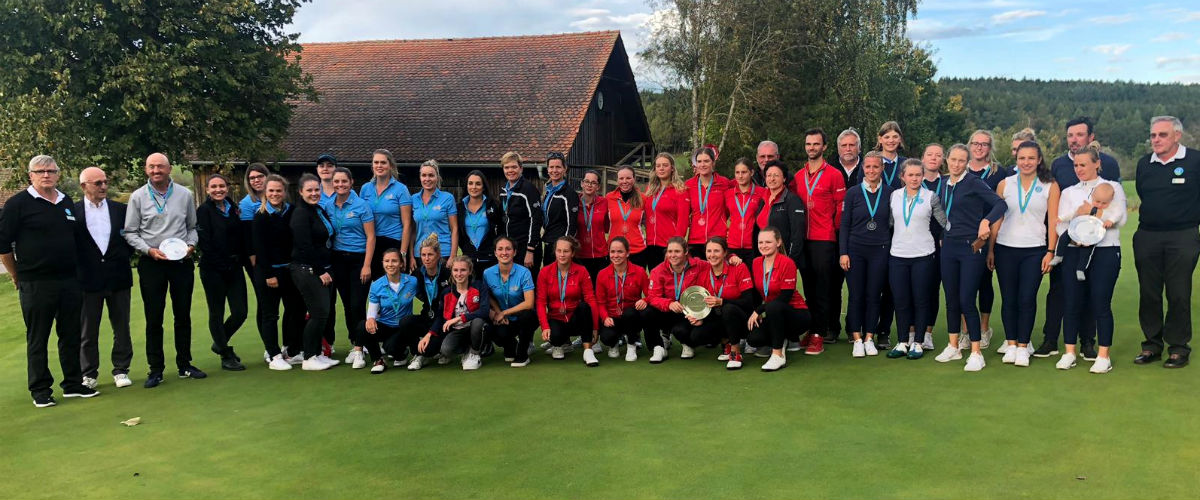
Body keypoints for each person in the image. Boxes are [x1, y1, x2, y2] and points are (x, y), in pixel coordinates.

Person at [0, 155, 96, 407]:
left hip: (69, 280)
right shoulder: (17, 204)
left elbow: (77, 239)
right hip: (36, 282)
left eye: (51, 171)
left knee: (70, 334)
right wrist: (16, 275)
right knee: (38, 337)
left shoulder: (66, 202)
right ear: (30, 175)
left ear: (58, 174)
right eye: (40, 171)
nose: (46, 175)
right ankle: (40, 390)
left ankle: (73, 384)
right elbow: (3, 245)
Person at [1036, 117, 1121, 357]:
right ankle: (1051, 339)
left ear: (1091, 137)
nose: (1074, 140)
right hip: (1066, 239)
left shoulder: (1109, 164)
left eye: (1079, 135)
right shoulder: (1058, 164)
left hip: (1095, 240)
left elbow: (1111, 200)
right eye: (1070, 135)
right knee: (1059, 291)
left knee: (1089, 292)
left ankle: (1087, 342)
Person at [124, 152, 204, 388]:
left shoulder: (184, 194)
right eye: (151, 167)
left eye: (160, 166)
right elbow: (130, 232)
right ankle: (156, 369)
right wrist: (148, 250)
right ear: (146, 170)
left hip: (180, 263)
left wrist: (191, 245)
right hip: (152, 263)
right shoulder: (138, 197)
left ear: (169, 169)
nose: (156, 170)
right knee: (154, 318)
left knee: (183, 315)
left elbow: (192, 227)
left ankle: (185, 364)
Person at [1133, 115, 1199, 369]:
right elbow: (1143, 193)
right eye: (1153, 135)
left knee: (1178, 293)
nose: (1156, 140)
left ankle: (1178, 347)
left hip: (1183, 235)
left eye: (1162, 135)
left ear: (1177, 136)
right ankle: (1151, 345)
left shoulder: (1194, 160)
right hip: (1148, 235)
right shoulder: (1144, 164)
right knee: (1149, 293)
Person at [932, 144, 1005, 372]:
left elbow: (1000, 204)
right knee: (951, 299)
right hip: (949, 247)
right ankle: (953, 346)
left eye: (961, 161)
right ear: (947, 160)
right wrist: (943, 235)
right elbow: (945, 213)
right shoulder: (944, 182)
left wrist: (985, 221)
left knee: (966, 299)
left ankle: (975, 352)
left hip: (970, 248)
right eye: (953, 159)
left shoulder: (973, 182)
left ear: (967, 162)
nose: (956, 164)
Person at [1057, 144, 1127, 373]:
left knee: (1100, 303)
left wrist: (1092, 212)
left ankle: (1103, 356)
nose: (1079, 169)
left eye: (1083, 165)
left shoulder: (1113, 187)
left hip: (1105, 251)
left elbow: (1120, 219)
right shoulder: (1069, 192)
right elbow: (1060, 224)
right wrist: (1077, 235)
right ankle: (1069, 352)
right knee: (1071, 302)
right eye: (1076, 165)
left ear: (1097, 164)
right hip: (1074, 251)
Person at [988, 141, 1060, 367]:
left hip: (1035, 250)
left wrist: (1051, 251)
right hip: (1005, 248)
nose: (1026, 162)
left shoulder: (1050, 185)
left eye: (1030, 158)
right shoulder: (1005, 184)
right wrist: (990, 249)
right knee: (1009, 298)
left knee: (1027, 299)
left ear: (1039, 160)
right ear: (1016, 160)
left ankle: (1023, 346)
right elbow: (997, 219)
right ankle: (1011, 344)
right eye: (1022, 158)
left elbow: (1054, 221)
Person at [74, 167, 134, 389]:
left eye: (105, 182)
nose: (104, 187)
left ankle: (121, 369)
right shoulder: (73, 212)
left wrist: (121, 257)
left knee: (121, 326)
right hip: (87, 280)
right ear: (84, 186)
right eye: (98, 183)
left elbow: (130, 239)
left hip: (118, 276)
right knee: (88, 330)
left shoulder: (121, 210)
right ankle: (89, 373)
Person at [886, 160, 947, 360]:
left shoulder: (931, 196)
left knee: (921, 299)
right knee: (901, 300)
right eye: (910, 175)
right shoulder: (894, 196)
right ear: (902, 176)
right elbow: (890, 223)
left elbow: (945, 223)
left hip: (923, 255)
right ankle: (903, 341)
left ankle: (918, 342)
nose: (914, 179)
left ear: (923, 176)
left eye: (918, 175)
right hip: (898, 255)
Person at [792, 128, 846, 348]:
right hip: (803, 240)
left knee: (824, 288)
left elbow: (840, 207)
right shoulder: (798, 176)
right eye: (808, 144)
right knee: (810, 288)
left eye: (816, 144)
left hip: (824, 239)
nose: (812, 148)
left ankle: (820, 333)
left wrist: (832, 231)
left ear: (824, 147)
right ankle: (813, 328)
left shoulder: (834, 174)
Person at [839, 152, 891, 357]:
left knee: (874, 295)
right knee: (856, 295)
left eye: (875, 167)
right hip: (855, 250)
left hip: (880, 250)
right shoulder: (853, 193)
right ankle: (857, 338)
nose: (871, 170)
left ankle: (870, 337)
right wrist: (843, 252)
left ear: (882, 169)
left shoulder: (890, 193)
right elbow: (844, 225)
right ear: (863, 169)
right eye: (868, 167)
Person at [252, 175, 307, 371]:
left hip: (289, 271)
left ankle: (291, 350)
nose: (275, 194)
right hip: (269, 273)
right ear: (265, 192)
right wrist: (269, 275)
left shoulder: (291, 211)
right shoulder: (260, 216)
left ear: (284, 192)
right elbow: (260, 249)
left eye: (278, 190)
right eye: (271, 191)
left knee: (295, 311)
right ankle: (274, 355)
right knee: (270, 315)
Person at [196, 174, 248, 371]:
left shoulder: (233, 208)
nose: (218, 190)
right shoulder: (204, 211)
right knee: (216, 313)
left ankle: (219, 343)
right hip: (213, 269)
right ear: (208, 190)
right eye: (214, 187)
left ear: (227, 188)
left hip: (234, 267)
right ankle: (226, 355)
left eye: (222, 186)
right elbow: (205, 242)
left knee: (240, 312)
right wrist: (221, 263)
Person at [964, 129, 1010, 347]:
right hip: (962, 234)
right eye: (976, 143)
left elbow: (1001, 206)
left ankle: (984, 329)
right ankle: (965, 330)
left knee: (984, 282)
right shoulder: (960, 169)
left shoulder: (999, 173)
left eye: (984, 144)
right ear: (969, 145)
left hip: (987, 235)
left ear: (990, 148)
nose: (979, 147)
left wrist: (990, 235)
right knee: (963, 284)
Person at [290, 174, 341, 371]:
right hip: (307, 269)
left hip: (323, 267)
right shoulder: (300, 213)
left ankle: (318, 353)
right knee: (318, 313)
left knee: (324, 313)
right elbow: (304, 245)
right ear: (300, 192)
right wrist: (320, 270)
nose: (314, 193)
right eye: (309, 190)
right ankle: (309, 357)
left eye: (316, 189)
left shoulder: (317, 209)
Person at [327, 167, 376, 369]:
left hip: (358, 260)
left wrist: (367, 265)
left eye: (344, 181)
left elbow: (371, 236)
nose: (340, 185)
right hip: (338, 260)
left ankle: (360, 348)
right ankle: (355, 342)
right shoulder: (328, 205)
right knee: (347, 305)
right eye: (336, 181)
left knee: (357, 304)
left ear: (351, 182)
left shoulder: (361, 205)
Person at [747, 227, 812, 371]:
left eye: (768, 242)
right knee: (754, 339)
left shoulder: (787, 263)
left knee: (774, 306)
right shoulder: (756, 262)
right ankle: (783, 338)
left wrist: (759, 310)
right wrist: (756, 311)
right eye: (760, 242)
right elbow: (756, 293)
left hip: (797, 314)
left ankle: (778, 355)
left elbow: (785, 297)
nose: (763, 245)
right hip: (774, 313)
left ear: (778, 242)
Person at [645, 236, 710, 363]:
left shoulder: (699, 265)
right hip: (669, 311)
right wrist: (669, 304)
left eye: (677, 251)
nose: (673, 255)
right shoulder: (657, 271)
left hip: (689, 313)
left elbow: (716, 261)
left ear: (686, 252)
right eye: (670, 251)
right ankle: (658, 347)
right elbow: (653, 297)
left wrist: (731, 257)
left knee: (680, 331)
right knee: (646, 312)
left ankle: (687, 344)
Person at [536, 236, 600, 365]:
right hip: (555, 317)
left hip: (574, 318)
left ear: (573, 253)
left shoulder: (581, 271)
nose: (562, 254)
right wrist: (545, 326)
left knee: (584, 307)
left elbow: (591, 299)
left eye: (566, 251)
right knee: (555, 337)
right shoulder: (545, 272)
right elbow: (541, 302)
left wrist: (595, 327)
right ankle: (559, 345)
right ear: (555, 252)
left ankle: (588, 351)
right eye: (559, 251)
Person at [695, 237, 755, 370]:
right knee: (696, 335)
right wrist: (696, 315)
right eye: (709, 251)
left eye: (716, 251)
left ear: (725, 253)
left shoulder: (739, 267)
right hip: (719, 317)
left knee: (727, 308)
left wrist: (722, 301)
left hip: (742, 318)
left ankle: (735, 352)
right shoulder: (704, 271)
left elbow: (748, 302)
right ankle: (726, 343)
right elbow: (702, 302)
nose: (712, 255)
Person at [358, 248, 420, 374]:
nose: (390, 264)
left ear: (401, 263)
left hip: (403, 327)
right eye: (386, 261)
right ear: (382, 263)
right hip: (386, 326)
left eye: (394, 261)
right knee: (362, 326)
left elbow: (425, 297)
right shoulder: (376, 285)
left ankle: (405, 354)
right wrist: (370, 319)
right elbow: (372, 309)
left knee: (390, 347)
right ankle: (378, 360)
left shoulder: (412, 281)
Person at [428, 256, 491, 370]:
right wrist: (429, 334)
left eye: (463, 270)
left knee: (478, 322)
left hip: (476, 327)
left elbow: (484, 311)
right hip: (458, 330)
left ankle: (475, 353)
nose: (459, 274)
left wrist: (460, 318)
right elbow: (440, 316)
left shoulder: (479, 286)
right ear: (451, 272)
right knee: (446, 350)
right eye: (455, 270)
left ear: (470, 271)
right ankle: (467, 350)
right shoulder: (446, 292)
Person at [484, 236, 538, 367]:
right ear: (495, 252)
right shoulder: (487, 273)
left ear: (514, 252)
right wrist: (498, 312)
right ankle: (511, 346)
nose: (504, 252)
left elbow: (529, 303)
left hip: (523, 316)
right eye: (500, 249)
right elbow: (488, 296)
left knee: (527, 315)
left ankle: (523, 355)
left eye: (508, 249)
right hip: (504, 318)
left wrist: (504, 312)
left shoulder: (524, 272)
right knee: (492, 329)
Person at [595, 237, 651, 362]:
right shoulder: (602, 274)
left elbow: (651, 294)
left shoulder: (639, 271)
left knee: (629, 313)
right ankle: (613, 344)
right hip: (612, 317)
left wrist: (645, 300)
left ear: (628, 253)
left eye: (620, 251)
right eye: (612, 252)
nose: (616, 255)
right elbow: (600, 302)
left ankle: (631, 344)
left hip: (631, 317)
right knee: (607, 337)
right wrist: (605, 317)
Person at [359, 149, 414, 277]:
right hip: (371, 244)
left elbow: (407, 224)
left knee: (395, 285)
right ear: (372, 165)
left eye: (383, 162)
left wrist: (403, 253)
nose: (379, 166)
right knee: (377, 285)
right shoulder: (365, 188)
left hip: (393, 243)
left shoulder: (401, 189)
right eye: (376, 162)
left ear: (390, 165)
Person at [917, 143, 947, 351]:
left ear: (942, 159)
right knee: (916, 287)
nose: (933, 158)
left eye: (938, 155)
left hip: (940, 242)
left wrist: (944, 234)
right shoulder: (914, 181)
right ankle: (912, 331)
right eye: (930, 154)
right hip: (916, 241)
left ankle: (927, 332)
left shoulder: (946, 184)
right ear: (923, 158)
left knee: (932, 288)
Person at [409, 234, 451, 370]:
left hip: (444, 321)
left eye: (430, 255)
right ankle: (417, 354)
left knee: (430, 350)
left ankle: (430, 351)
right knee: (406, 322)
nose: (426, 259)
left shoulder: (448, 273)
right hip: (427, 316)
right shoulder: (417, 274)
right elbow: (415, 293)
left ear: (438, 255)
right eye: (423, 255)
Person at [238, 163, 270, 339]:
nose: (256, 180)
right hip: (257, 259)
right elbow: (247, 236)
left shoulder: (275, 196)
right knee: (264, 301)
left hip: (276, 257)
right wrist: (254, 260)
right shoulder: (247, 203)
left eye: (260, 176)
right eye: (252, 178)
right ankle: (268, 346)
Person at [497, 151, 543, 269]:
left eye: (514, 167)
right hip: (509, 249)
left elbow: (536, 220)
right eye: (507, 167)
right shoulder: (503, 191)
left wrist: (530, 250)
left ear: (521, 168)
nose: (510, 170)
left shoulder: (528, 189)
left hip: (525, 250)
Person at [644, 153, 690, 265]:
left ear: (672, 168)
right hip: (650, 244)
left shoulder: (680, 190)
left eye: (665, 165)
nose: (661, 168)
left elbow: (683, 222)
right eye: (658, 166)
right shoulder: (650, 190)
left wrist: (675, 247)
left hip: (668, 245)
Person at [686, 146, 733, 257]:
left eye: (706, 161)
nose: (702, 165)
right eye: (699, 161)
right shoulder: (688, 185)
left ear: (713, 162)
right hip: (695, 240)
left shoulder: (724, 183)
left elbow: (728, 209)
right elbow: (685, 212)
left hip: (717, 239)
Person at [411, 160, 458, 262]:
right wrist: (411, 256)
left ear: (437, 177)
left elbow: (454, 229)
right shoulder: (413, 199)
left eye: (431, 175)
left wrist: (453, 256)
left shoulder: (448, 198)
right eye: (424, 175)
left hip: (443, 253)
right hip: (420, 254)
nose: (427, 179)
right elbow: (412, 230)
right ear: (420, 177)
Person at [457, 170, 500, 277]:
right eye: (470, 183)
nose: (474, 187)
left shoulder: (494, 205)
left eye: (478, 184)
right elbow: (458, 233)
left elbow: (501, 230)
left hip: (490, 259)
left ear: (483, 187)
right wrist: (466, 248)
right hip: (468, 260)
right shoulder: (460, 207)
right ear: (466, 186)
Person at [540, 152, 579, 268]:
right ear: (547, 169)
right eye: (551, 167)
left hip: (560, 246)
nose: (554, 170)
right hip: (548, 241)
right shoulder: (548, 190)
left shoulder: (569, 193)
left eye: (558, 167)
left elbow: (572, 224)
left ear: (564, 169)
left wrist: (564, 247)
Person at [725, 158, 766, 265]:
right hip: (733, 246)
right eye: (737, 172)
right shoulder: (728, 194)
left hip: (753, 245)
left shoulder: (762, 193)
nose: (740, 176)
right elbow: (723, 217)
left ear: (751, 173)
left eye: (744, 172)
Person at [604, 166, 647, 267]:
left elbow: (648, 224)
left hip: (637, 250)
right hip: (615, 251)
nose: (624, 181)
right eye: (621, 178)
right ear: (617, 180)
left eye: (628, 178)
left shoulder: (643, 198)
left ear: (634, 179)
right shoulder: (609, 198)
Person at [576, 169, 609, 280]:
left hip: (600, 255)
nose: (589, 185)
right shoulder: (574, 202)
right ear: (582, 183)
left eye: (593, 183)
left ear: (598, 186)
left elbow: (607, 227)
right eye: (587, 181)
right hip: (580, 255)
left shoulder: (604, 202)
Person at [876, 121, 908, 189]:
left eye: (895, 137)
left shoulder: (906, 163)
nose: (891, 140)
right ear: (880, 139)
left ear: (900, 139)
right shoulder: (870, 162)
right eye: (887, 137)